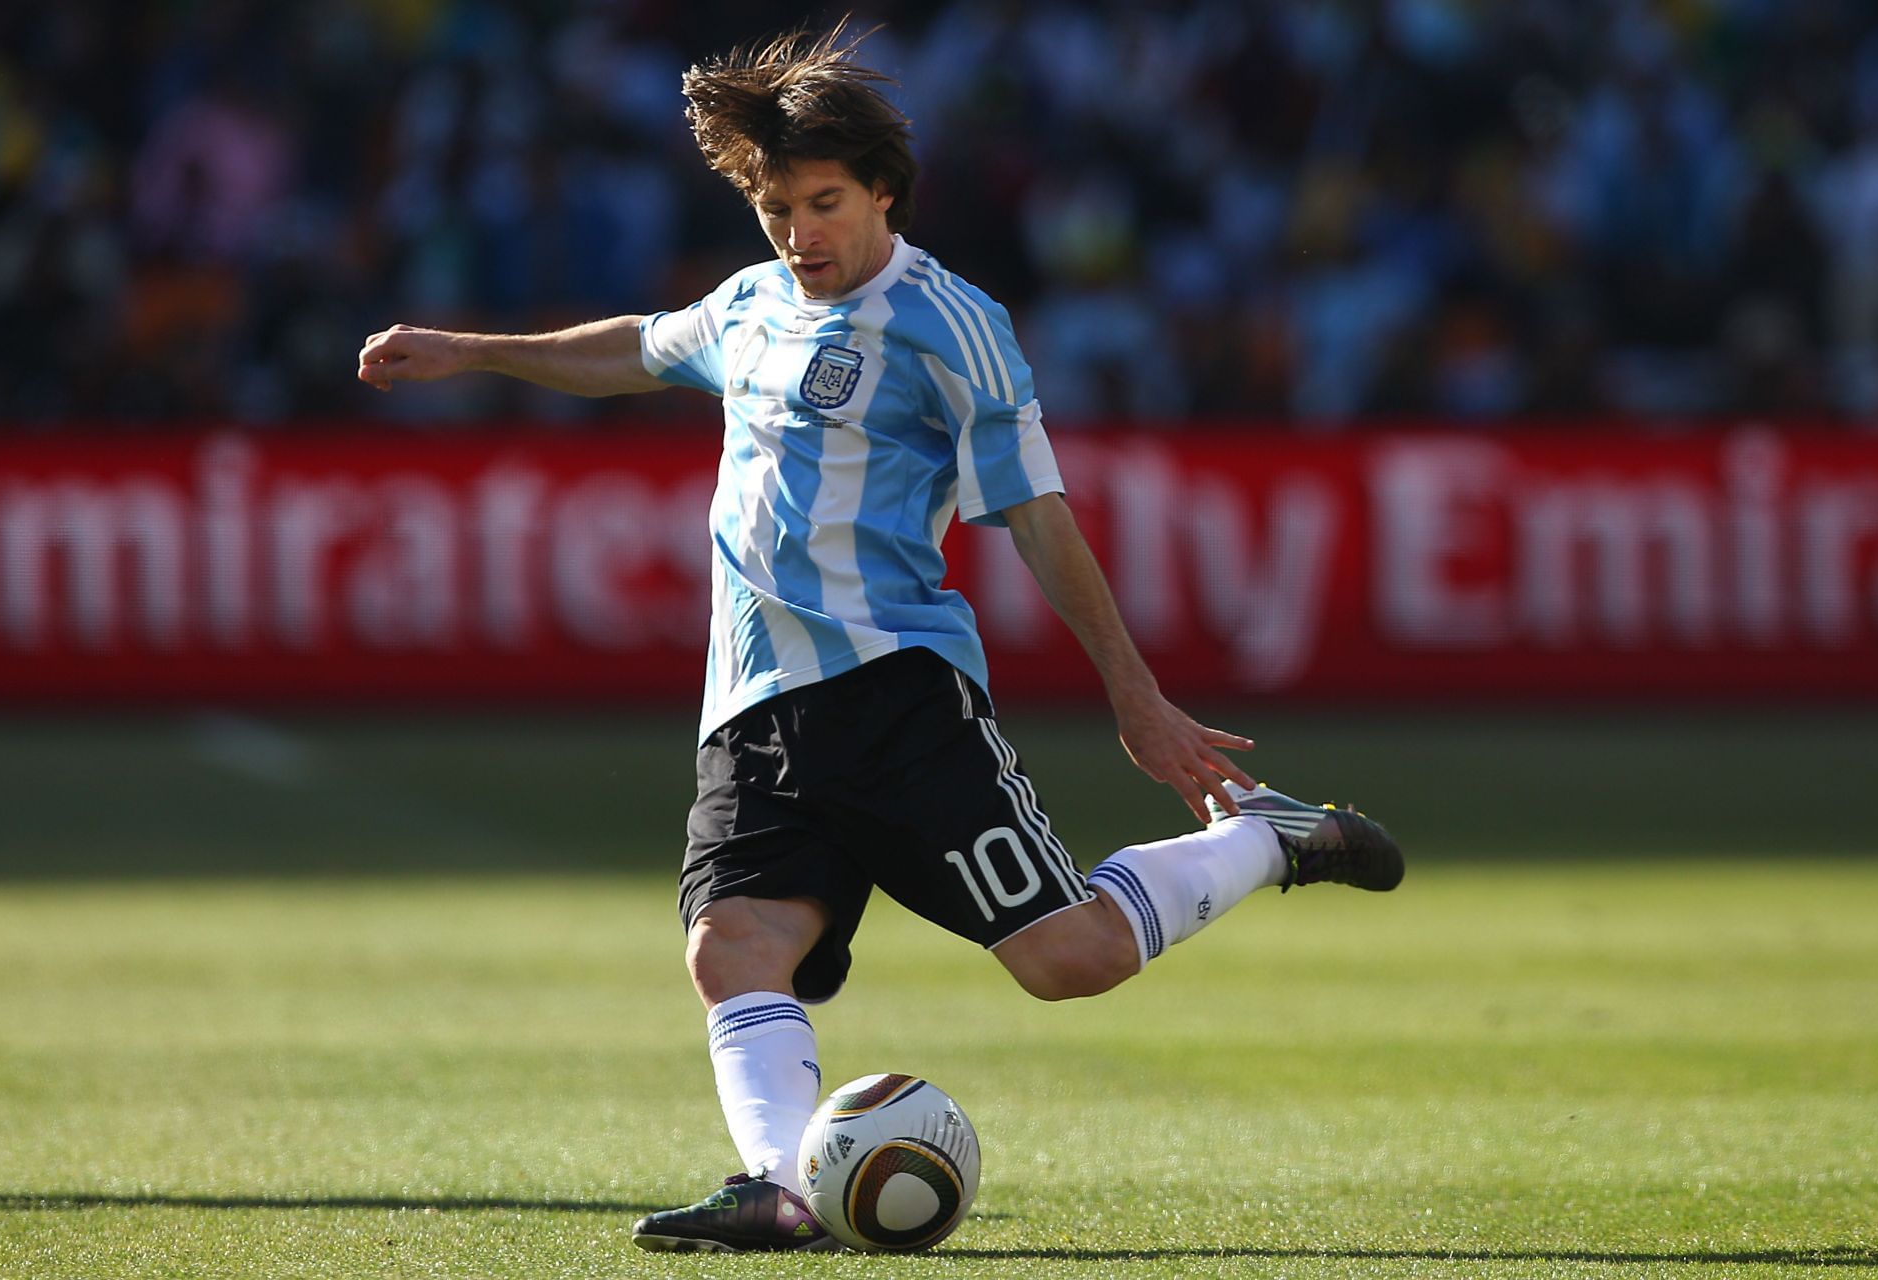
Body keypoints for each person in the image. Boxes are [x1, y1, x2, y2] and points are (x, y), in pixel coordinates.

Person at [356, 23, 1403, 1254]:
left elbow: (1039, 516)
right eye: (779, 210)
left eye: (826, 204)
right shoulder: (750, 304)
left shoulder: (949, 323)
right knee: (732, 944)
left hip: (895, 694)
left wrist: (1136, 695)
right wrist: (471, 351)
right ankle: (777, 1184)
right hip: (752, 707)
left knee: (1068, 958)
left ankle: (1263, 837)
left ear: (883, 194)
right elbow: (637, 347)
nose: (801, 234)